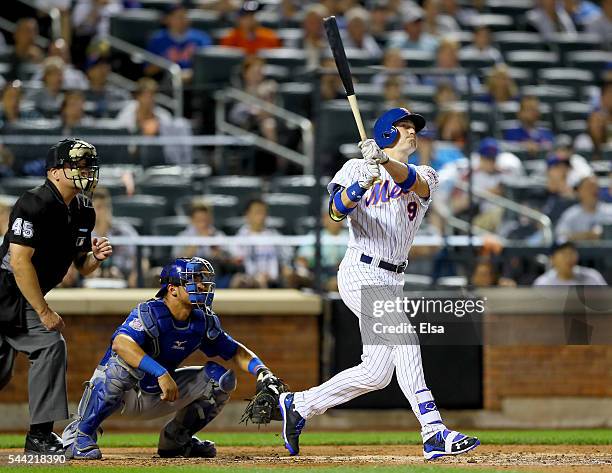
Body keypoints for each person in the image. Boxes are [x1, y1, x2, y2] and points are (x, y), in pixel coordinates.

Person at [277, 107, 479, 459]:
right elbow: (335, 213)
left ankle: (299, 405)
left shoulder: (425, 173)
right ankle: (433, 429)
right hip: (360, 269)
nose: (412, 131)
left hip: (393, 277)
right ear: (387, 131)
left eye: (414, 127)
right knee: (404, 336)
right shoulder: (356, 167)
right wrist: (360, 185)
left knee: (377, 373)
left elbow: (409, 182)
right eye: (404, 126)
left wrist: (384, 161)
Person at [61, 257, 285, 459]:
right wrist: (160, 372)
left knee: (219, 379)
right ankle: (80, 433)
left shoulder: (202, 320)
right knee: (119, 366)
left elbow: (235, 351)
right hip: (127, 394)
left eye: (202, 279)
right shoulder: (149, 312)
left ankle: (176, 440)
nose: (201, 285)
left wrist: (263, 372)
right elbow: (121, 343)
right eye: (193, 280)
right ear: (172, 289)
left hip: (162, 394)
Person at [0, 139, 112, 455]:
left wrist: (95, 258)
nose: (85, 171)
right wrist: (44, 311)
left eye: (88, 165)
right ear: (53, 171)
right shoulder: (32, 203)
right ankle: (39, 437)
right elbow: (20, 263)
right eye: (77, 165)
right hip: (6, 290)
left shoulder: (84, 210)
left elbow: (81, 265)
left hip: (20, 293)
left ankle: (39, 436)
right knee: (50, 344)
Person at [146, 3, 213, 82]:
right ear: (167, 19)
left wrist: (191, 74)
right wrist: (166, 64)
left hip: (195, 82)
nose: (182, 20)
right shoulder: (157, 39)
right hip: (167, 83)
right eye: (178, 17)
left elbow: (209, 66)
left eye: (185, 16)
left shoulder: (201, 38)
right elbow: (148, 70)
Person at [90, 187, 141, 287]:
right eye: (99, 207)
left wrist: (134, 277)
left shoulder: (124, 231)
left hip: (122, 278)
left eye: (106, 207)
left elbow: (139, 258)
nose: (103, 211)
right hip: (92, 280)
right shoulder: (86, 233)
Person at [233, 198, 287, 288]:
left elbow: (286, 257)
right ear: (248, 215)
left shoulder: (274, 235)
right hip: (249, 280)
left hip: (272, 279)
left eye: (263, 212)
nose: (261, 216)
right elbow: (237, 260)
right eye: (257, 212)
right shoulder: (240, 237)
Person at [556, 174, 612, 241]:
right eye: (589, 187)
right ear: (580, 191)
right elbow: (560, 238)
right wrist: (587, 236)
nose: (594, 190)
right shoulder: (571, 215)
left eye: (596, 187)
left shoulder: (610, 211)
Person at [533, 241, 607, 285]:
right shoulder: (544, 283)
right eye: (564, 254)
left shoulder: (592, 276)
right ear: (552, 258)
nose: (569, 258)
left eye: (572, 253)